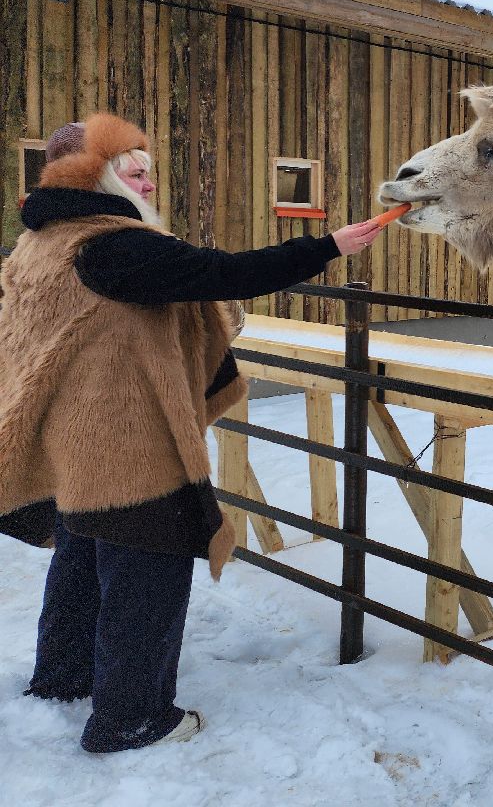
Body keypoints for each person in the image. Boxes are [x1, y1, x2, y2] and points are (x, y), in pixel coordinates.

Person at [0, 112, 381, 753]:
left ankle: (63, 678)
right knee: (149, 569)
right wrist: (329, 246)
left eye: (149, 171)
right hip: (127, 443)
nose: (147, 183)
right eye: (132, 171)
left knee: (82, 559)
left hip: (70, 444)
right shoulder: (113, 246)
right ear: (93, 176)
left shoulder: (42, 239)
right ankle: (131, 718)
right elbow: (220, 273)